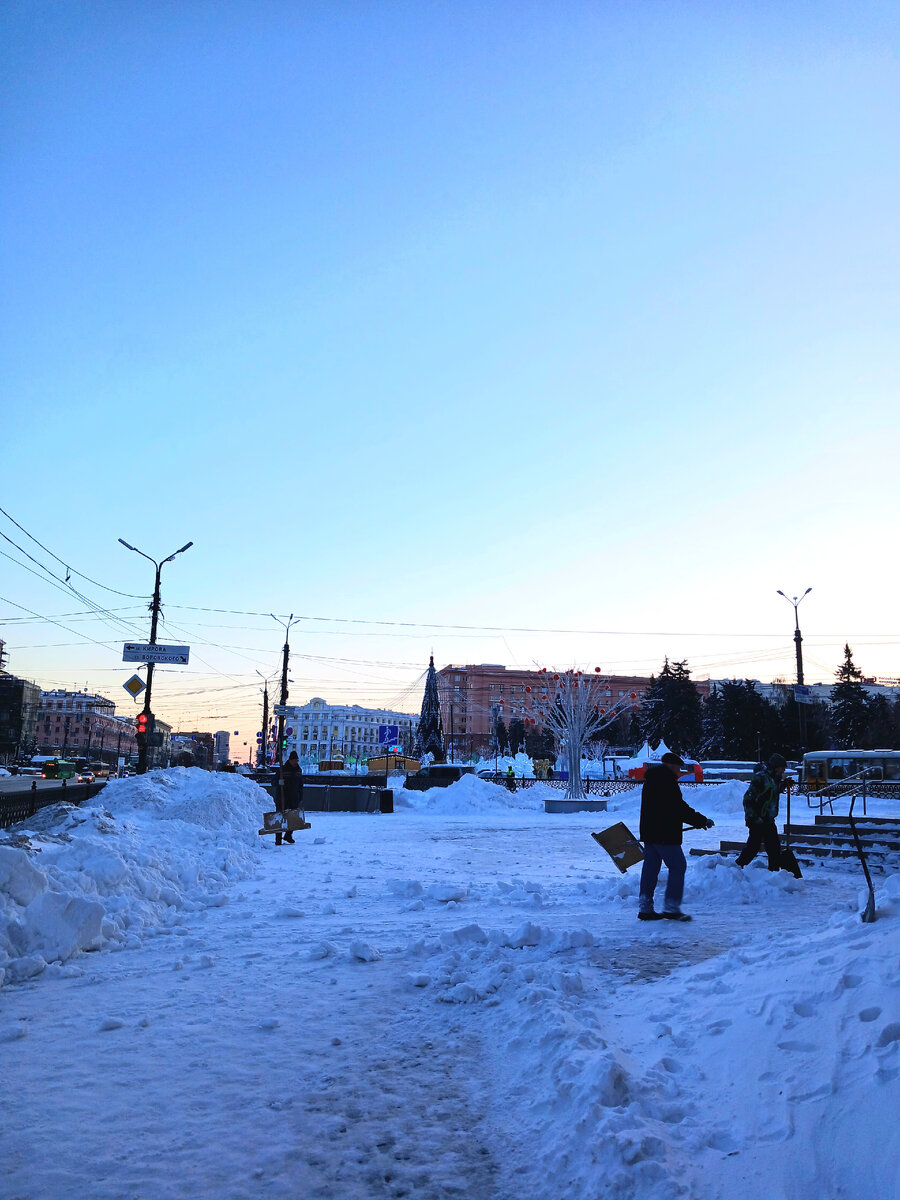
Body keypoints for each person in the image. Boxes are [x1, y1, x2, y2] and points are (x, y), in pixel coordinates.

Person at [638, 752, 714, 922]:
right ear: (671, 766)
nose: (679, 772)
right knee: (678, 866)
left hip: (650, 833)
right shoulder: (667, 782)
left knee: (650, 869)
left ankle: (645, 908)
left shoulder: (651, 780)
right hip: (664, 833)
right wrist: (701, 821)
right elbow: (678, 808)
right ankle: (671, 908)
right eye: (678, 768)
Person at [736, 754, 786, 871]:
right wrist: (753, 817)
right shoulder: (760, 777)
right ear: (775, 767)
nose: (784, 770)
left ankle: (774, 872)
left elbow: (772, 791)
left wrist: (783, 785)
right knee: (753, 847)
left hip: (768, 819)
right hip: (756, 818)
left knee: (774, 847)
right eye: (782, 767)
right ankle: (737, 867)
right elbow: (748, 798)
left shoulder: (774, 778)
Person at [274, 751, 303, 845]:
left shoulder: (298, 770)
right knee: (280, 817)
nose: (296, 762)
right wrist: (279, 782)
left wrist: (300, 796)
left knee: (293, 817)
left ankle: (288, 835)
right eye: (294, 760)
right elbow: (273, 781)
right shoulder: (282, 770)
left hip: (294, 797)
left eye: (297, 760)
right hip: (282, 797)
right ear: (290, 760)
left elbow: (300, 785)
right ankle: (278, 839)